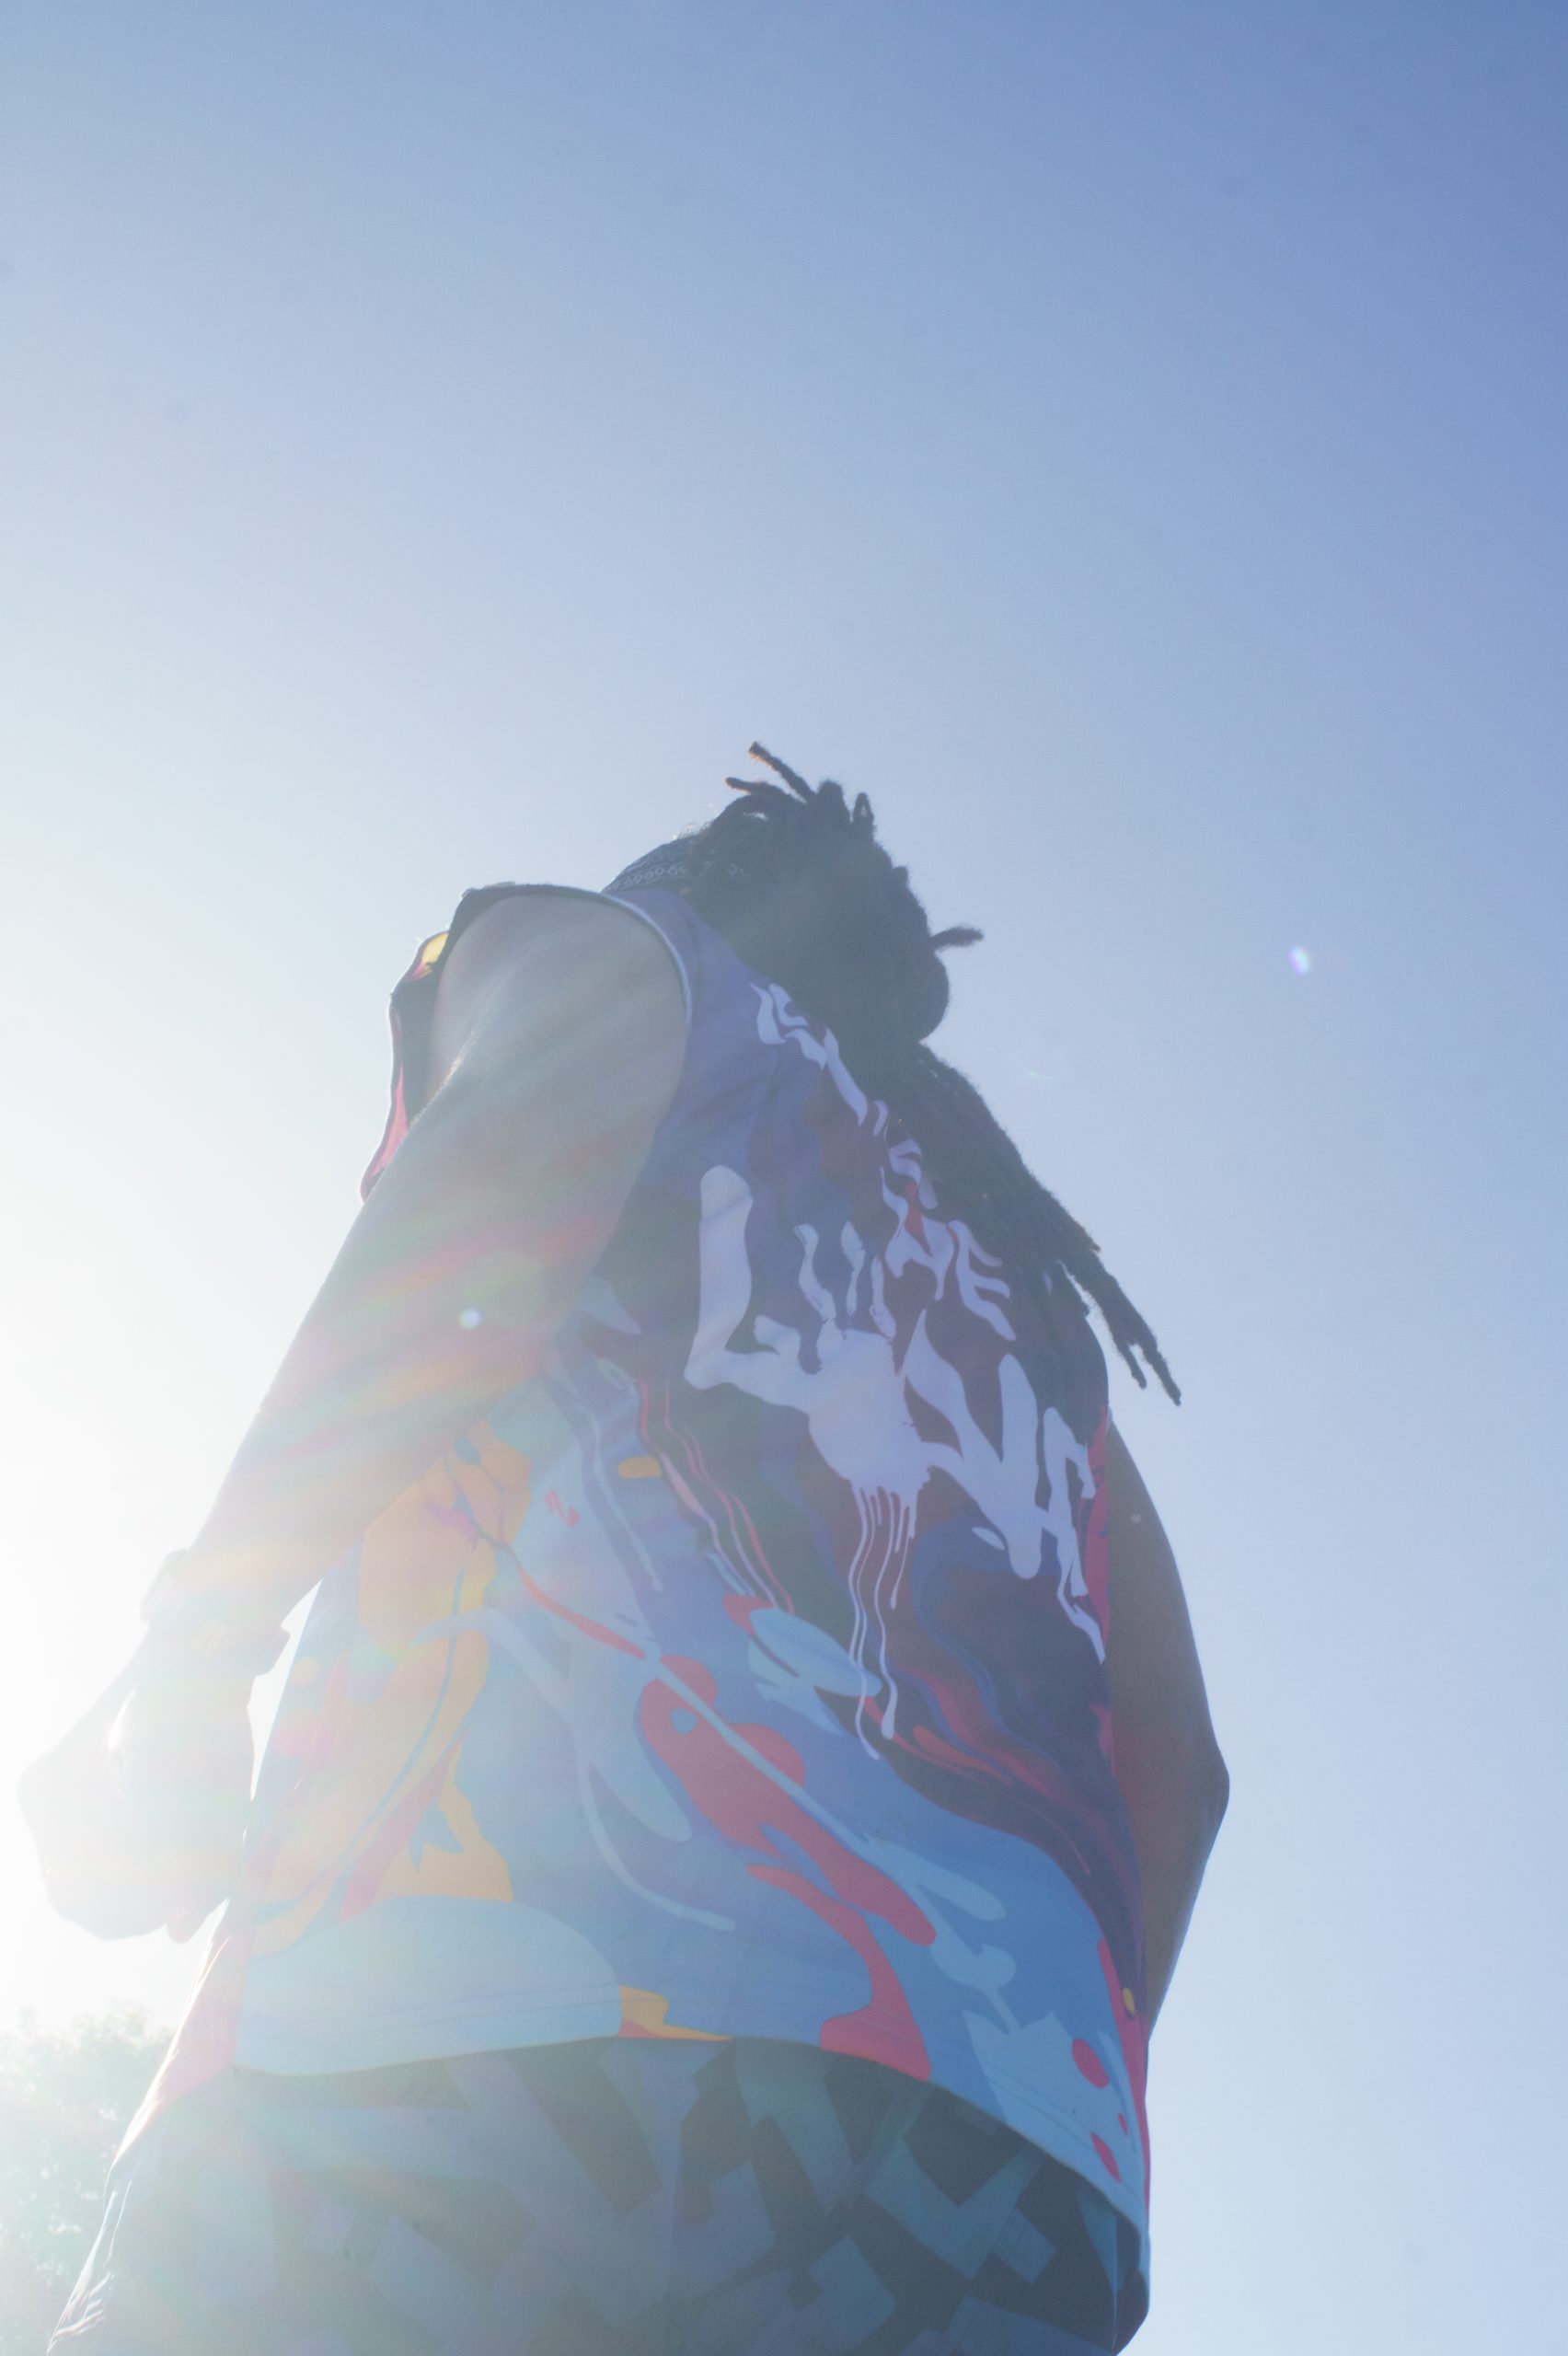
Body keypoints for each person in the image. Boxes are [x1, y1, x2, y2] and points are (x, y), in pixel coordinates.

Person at [46, 749, 1228, 2354]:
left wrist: (203, 1642)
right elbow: (1180, 1764)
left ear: (705, 876)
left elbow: (489, 1201)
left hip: (464, 2013)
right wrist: (1048, 2081)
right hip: (999, 2160)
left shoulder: (634, 957)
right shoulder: (1040, 1323)